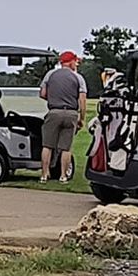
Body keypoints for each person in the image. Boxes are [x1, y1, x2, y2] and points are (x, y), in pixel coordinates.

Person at [38, 50, 89, 183]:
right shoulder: (78, 77)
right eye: (75, 62)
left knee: (47, 145)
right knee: (66, 147)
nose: (76, 64)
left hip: (54, 111)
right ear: (70, 62)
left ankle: (44, 175)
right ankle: (63, 176)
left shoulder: (50, 74)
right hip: (71, 113)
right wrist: (82, 118)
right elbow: (82, 99)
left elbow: (42, 93)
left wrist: (54, 98)